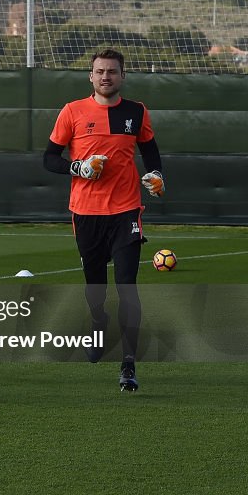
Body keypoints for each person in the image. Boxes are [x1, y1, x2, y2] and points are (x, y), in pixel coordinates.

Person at [43, 48, 165, 392]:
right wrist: (77, 167)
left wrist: (157, 175)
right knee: (95, 289)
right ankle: (98, 322)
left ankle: (128, 364)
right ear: (91, 76)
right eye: (100, 71)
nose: (106, 76)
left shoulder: (136, 112)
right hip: (86, 214)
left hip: (126, 211)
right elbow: (49, 158)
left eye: (112, 71)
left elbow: (150, 150)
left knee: (127, 286)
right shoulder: (72, 112)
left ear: (122, 76)